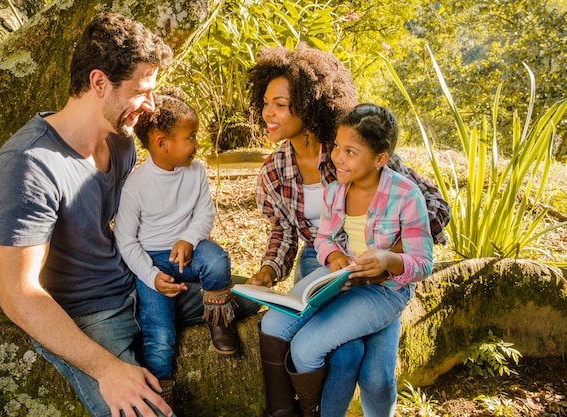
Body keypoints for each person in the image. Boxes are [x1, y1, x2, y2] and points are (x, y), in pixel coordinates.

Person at [246, 46, 450, 417]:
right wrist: (268, 271)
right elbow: (286, 234)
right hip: (325, 260)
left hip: (383, 273)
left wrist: (389, 257)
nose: (267, 113)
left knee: (374, 374)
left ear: (309, 105)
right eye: (265, 103)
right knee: (333, 348)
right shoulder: (274, 170)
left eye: (279, 104)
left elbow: (434, 205)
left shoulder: (352, 151)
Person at [0, 13, 175, 417]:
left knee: (252, 305)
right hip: (86, 316)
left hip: (137, 285)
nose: (151, 105)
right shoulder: (27, 164)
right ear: (98, 82)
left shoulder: (121, 143)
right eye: (142, 91)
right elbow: (18, 294)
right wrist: (107, 370)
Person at [114, 88, 240, 404]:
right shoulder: (136, 186)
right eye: (191, 137)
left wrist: (188, 238)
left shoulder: (195, 172)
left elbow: (204, 212)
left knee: (217, 261)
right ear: (161, 143)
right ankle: (160, 398)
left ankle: (217, 321)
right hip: (153, 264)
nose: (197, 144)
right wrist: (150, 276)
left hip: (189, 251)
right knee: (159, 339)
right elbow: (126, 241)